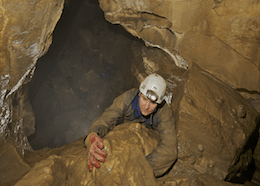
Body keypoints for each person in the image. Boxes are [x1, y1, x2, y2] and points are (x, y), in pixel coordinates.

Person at [83, 73, 177, 177]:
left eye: (152, 103)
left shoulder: (163, 112)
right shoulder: (127, 99)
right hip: (121, 135)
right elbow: (105, 120)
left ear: (159, 104)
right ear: (140, 94)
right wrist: (92, 137)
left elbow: (170, 149)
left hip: (143, 142)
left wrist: (141, 167)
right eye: (144, 99)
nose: (146, 106)